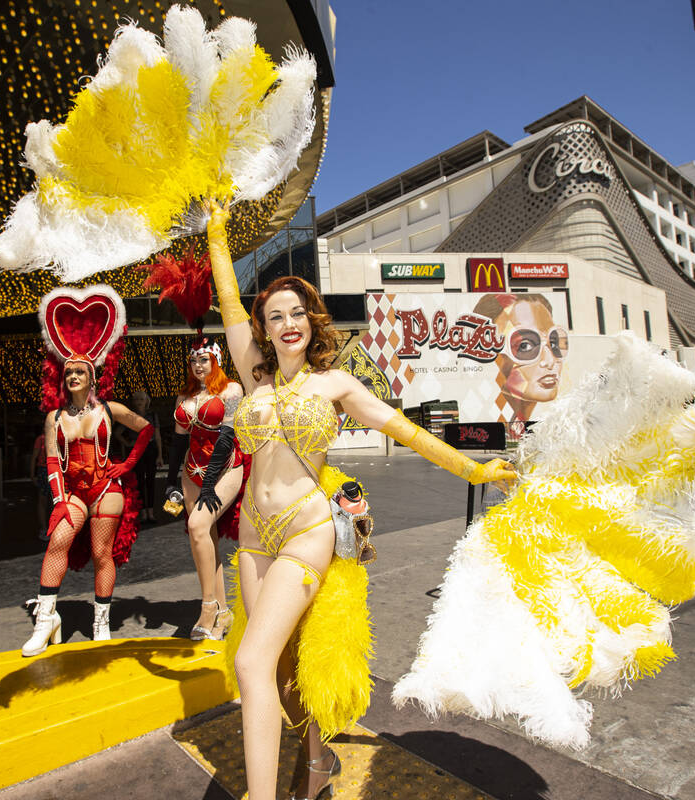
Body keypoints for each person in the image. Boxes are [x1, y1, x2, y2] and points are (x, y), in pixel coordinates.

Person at [206, 203, 518, 800]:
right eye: (276, 316)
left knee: (249, 663)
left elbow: (404, 429)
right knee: (278, 666)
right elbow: (226, 300)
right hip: (252, 535)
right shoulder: (254, 376)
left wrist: (472, 466)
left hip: (305, 531)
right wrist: (218, 233)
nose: (289, 323)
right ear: (264, 329)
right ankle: (318, 760)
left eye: (298, 312)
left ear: (310, 321)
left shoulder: (336, 385)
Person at [22, 286, 154, 652]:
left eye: (80, 372)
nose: (73, 377)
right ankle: (46, 619)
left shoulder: (109, 409)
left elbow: (145, 429)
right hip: (72, 493)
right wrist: (60, 500)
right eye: (68, 373)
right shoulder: (55, 417)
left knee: (102, 554)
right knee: (58, 542)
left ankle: (101, 621)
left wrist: (127, 464)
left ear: (92, 376)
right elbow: (52, 460)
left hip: (106, 489)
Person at [165, 336, 247, 640]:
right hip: (191, 473)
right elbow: (178, 441)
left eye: (205, 359)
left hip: (226, 469)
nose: (199, 366)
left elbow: (226, 439)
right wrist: (170, 480)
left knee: (197, 524)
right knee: (204, 536)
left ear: (216, 360)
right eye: (194, 360)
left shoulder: (232, 390)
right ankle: (223, 614)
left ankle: (208, 607)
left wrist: (211, 482)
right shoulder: (183, 396)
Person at [472, 293, 567, 440]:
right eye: (525, 345)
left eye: (553, 343)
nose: (550, 361)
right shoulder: (482, 408)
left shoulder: (562, 421)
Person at [123, 389, 163, 522]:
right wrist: (128, 442)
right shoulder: (130, 415)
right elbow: (118, 433)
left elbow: (157, 436)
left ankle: (151, 512)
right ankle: (143, 513)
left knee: (151, 480)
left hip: (150, 448)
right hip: (137, 449)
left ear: (146, 401)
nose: (139, 402)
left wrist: (160, 455)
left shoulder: (152, 415)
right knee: (139, 480)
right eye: (136, 400)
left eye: (141, 399)